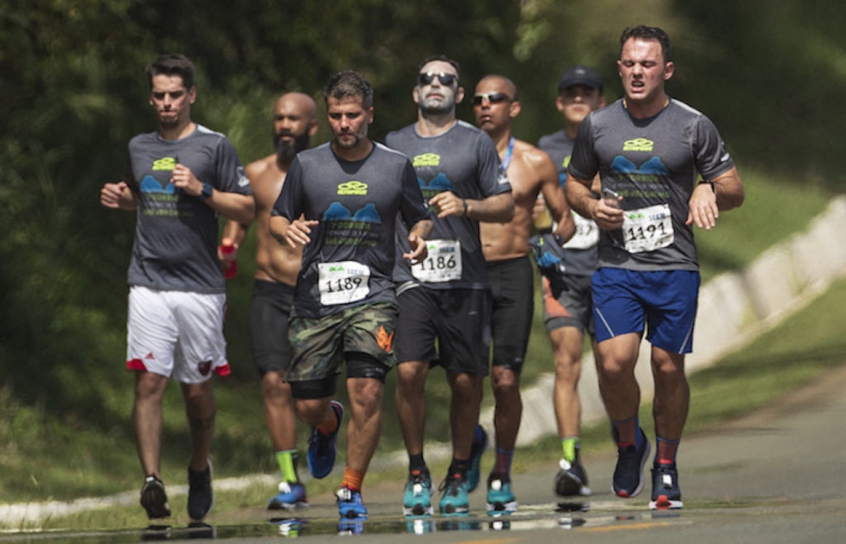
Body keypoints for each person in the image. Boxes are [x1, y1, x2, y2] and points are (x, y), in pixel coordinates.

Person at [565, 26, 744, 510]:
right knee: (614, 362)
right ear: (619, 67)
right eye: (629, 63)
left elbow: (734, 189)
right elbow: (574, 184)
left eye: (647, 64)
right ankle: (629, 443)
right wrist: (590, 206)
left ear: (666, 70)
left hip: (674, 266)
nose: (637, 72)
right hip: (617, 266)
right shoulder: (598, 126)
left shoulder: (692, 125)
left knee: (667, 367)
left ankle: (666, 465)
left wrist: (708, 188)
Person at [268, 70, 433, 521]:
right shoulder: (307, 164)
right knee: (307, 405)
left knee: (368, 391)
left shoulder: (395, 165)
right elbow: (277, 218)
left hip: (374, 295)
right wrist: (290, 228)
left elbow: (420, 217)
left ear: (369, 115)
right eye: (336, 115)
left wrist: (419, 236)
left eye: (353, 115)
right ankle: (327, 424)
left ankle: (350, 489)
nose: (344, 123)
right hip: (315, 300)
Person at [99, 54, 255, 521]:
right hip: (148, 281)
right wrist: (123, 199)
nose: (167, 104)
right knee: (148, 381)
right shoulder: (139, 146)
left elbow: (246, 210)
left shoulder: (215, 146)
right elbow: (142, 196)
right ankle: (151, 480)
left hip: (201, 287)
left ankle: (199, 466)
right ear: (152, 98)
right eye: (159, 96)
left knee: (196, 391)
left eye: (175, 95)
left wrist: (203, 191)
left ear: (190, 96)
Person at [386, 55, 515, 517]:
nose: (435, 84)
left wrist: (467, 206)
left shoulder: (477, 143)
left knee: (465, 381)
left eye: (446, 80)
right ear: (415, 92)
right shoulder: (394, 144)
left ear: (459, 94)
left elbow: (504, 205)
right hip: (411, 276)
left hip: (466, 278)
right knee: (409, 372)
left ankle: (459, 471)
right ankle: (417, 470)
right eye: (426, 79)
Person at [472, 74, 575, 514]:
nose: (485, 106)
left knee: (505, 379)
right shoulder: (457, 157)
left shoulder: (535, 161)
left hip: (514, 271)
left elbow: (565, 221)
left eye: (495, 99)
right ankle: (469, 445)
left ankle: (502, 472)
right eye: (478, 100)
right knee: (464, 379)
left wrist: (547, 228)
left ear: (513, 108)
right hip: (467, 274)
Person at [221, 93, 318, 510]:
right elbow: (238, 223)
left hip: (318, 295)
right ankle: (290, 480)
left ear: (312, 127)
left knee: (309, 401)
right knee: (273, 383)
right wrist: (227, 248)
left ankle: (326, 424)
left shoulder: (329, 174)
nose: (284, 125)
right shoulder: (256, 173)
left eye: (293, 119)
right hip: (270, 291)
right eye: (278, 118)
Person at [535, 65, 606, 498]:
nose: (578, 98)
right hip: (562, 274)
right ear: (559, 102)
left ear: (600, 100)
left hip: (611, 272)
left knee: (613, 368)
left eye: (587, 91)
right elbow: (529, 205)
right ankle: (570, 461)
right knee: (566, 362)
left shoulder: (615, 141)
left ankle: (627, 444)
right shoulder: (543, 151)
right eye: (570, 92)